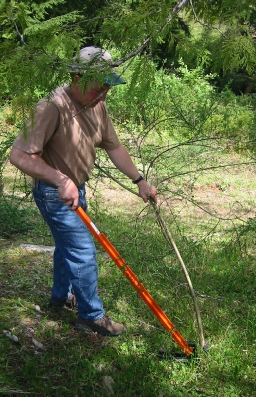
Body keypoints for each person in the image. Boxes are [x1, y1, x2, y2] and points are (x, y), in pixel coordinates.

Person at [10, 46, 157, 337]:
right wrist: (60, 179)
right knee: (83, 251)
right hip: (54, 192)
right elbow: (19, 155)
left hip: (76, 188)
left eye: (107, 87)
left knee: (69, 247)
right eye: (99, 87)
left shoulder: (97, 105)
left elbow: (113, 146)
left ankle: (59, 297)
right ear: (76, 77)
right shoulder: (51, 106)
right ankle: (91, 316)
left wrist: (139, 179)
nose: (104, 94)